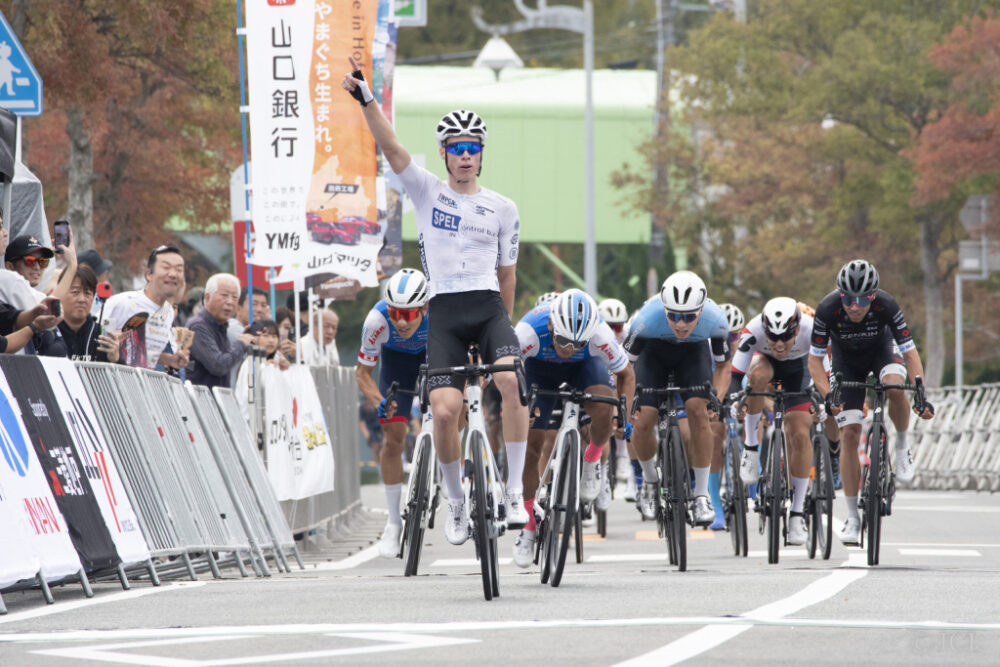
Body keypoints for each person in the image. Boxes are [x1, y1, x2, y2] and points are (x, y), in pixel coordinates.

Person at [344, 60, 530, 546]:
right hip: (444, 310)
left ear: (482, 155)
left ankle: (513, 494)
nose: (465, 157)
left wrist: (502, 335)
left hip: (489, 307)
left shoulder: (504, 208)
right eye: (457, 149)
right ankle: (457, 502)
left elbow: (507, 275)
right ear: (445, 155)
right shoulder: (427, 192)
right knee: (444, 412)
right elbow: (392, 147)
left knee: (511, 379)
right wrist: (367, 100)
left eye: (473, 149)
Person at [808, 259, 934, 545]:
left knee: (893, 387)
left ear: (873, 295)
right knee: (850, 434)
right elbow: (814, 360)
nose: (854, 305)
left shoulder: (887, 306)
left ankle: (902, 446)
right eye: (848, 298)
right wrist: (828, 395)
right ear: (839, 294)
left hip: (882, 351)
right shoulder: (828, 309)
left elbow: (910, 352)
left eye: (862, 299)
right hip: (845, 362)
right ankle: (852, 518)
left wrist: (920, 393)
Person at [511, 289, 635, 567]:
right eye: (564, 340)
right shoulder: (528, 332)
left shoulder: (599, 335)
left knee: (604, 408)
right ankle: (529, 527)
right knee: (531, 448)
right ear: (552, 325)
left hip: (584, 369)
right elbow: (507, 372)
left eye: (577, 343)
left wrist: (623, 417)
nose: (568, 348)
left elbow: (626, 374)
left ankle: (592, 462)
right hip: (538, 370)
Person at [624, 270, 732, 527]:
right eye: (673, 316)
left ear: (701, 310)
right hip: (653, 355)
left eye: (688, 317)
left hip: (692, 355)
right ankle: (650, 483)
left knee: (699, 409)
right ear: (664, 310)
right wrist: (628, 406)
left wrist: (715, 398)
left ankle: (701, 495)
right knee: (643, 419)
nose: (680, 324)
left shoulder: (716, 320)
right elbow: (624, 368)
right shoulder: (646, 319)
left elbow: (724, 367)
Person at [355, 268, 429, 558]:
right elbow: (362, 373)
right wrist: (379, 401)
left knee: (448, 409)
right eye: (395, 312)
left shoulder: (439, 312)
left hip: (433, 354)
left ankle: (452, 478)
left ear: (424, 307)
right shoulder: (377, 320)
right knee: (392, 438)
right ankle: (393, 522)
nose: (400, 321)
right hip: (396, 363)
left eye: (409, 315)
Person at [730, 297, 815, 545]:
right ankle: (750, 448)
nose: (779, 344)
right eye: (772, 337)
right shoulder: (753, 329)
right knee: (757, 375)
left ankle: (797, 515)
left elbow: (827, 370)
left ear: (797, 329)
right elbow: (736, 376)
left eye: (785, 337)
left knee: (800, 432)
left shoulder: (812, 328)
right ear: (764, 329)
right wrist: (736, 400)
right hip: (766, 369)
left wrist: (826, 398)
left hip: (799, 369)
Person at [104, 244, 188, 370]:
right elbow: (94, 343)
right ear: (149, 274)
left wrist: (169, 359)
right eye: (166, 267)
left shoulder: (169, 311)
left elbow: (142, 355)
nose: (173, 274)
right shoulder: (122, 303)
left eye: (179, 270)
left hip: (143, 387)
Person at [187, 273, 258, 389]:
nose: (230, 302)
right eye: (224, 295)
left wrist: (246, 340)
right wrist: (241, 343)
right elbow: (218, 365)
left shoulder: (222, 325)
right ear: (207, 298)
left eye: (235, 297)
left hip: (217, 400)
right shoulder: (198, 326)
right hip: (202, 402)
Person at [598, 297, 634, 496]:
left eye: (618, 327)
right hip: (600, 374)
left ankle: (622, 456)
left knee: (623, 401)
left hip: (621, 371)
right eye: (609, 327)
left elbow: (631, 370)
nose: (613, 332)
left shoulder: (629, 335)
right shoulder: (594, 333)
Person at [57, 264, 120, 363]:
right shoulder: (49, 331)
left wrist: (116, 359)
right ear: (60, 292)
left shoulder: (103, 337)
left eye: (87, 293)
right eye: (75, 292)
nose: (82, 299)